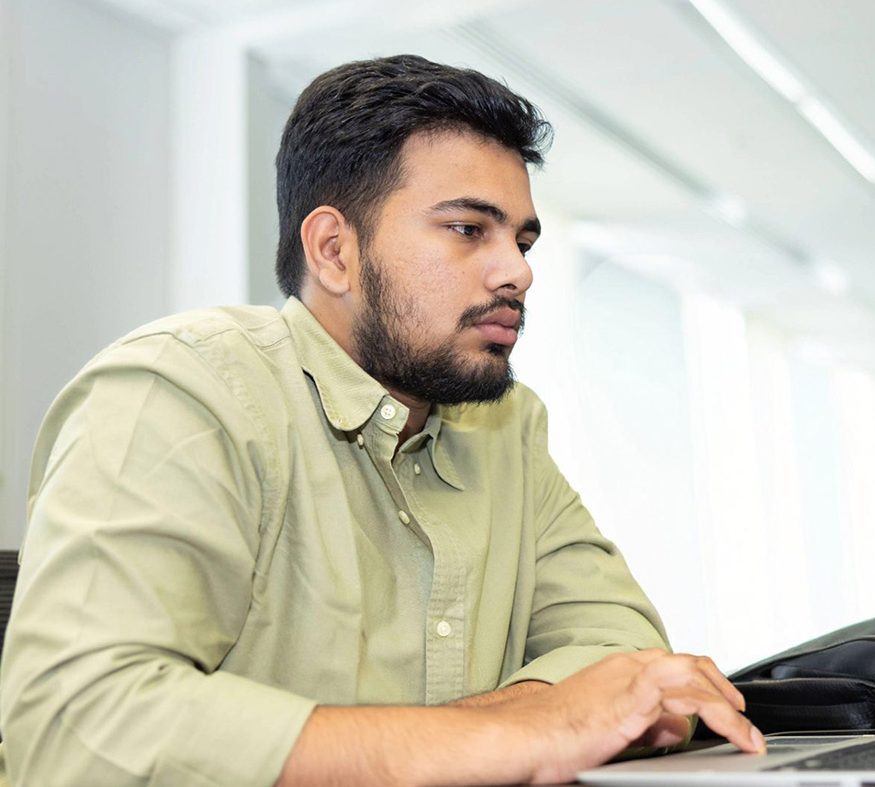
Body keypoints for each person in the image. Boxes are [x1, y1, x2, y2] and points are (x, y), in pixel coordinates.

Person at [0, 55, 763, 786]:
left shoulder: (504, 429)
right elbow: (75, 727)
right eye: (470, 228)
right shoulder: (184, 387)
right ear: (334, 250)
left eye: (523, 240)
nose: (518, 270)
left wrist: (511, 725)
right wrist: (511, 734)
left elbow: (621, 649)